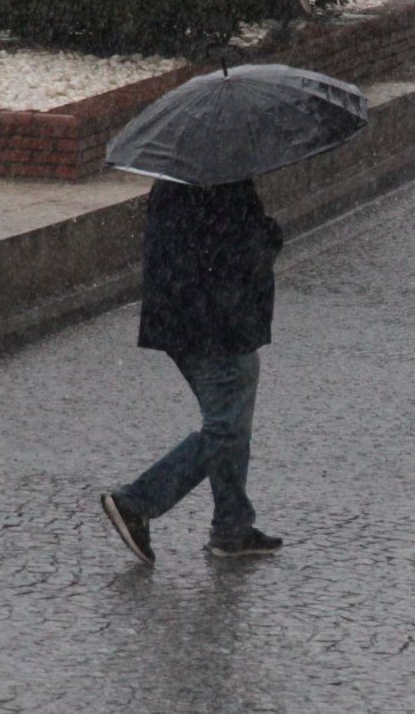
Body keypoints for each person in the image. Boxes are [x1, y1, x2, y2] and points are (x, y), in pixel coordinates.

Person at [101, 177, 285, 564]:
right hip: (214, 324)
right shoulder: (222, 182)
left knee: (227, 419)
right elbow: (237, 252)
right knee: (226, 428)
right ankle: (138, 502)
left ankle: (233, 527)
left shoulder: (178, 176)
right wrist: (270, 234)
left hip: (180, 319)